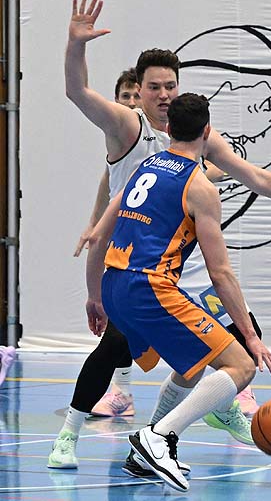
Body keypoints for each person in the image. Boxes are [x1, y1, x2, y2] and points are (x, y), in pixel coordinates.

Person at [48, 0, 271, 472]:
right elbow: (79, 98)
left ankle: (179, 426)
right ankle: (77, 436)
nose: (163, 94)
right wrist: (76, 45)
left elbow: (255, 176)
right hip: (137, 262)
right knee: (121, 349)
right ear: (139, 90)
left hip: (177, 263)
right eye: (154, 87)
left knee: (237, 332)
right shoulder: (127, 125)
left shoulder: (194, 137)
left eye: (170, 86)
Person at [85, 92, 271, 492]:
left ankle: (144, 456)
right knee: (241, 365)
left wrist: (94, 294)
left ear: (169, 128)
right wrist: (251, 335)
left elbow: (100, 234)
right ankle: (159, 437)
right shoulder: (200, 187)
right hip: (149, 287)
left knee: (191, 365)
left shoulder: (145, 165)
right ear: (207, 132)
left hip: (116, 283)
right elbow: (220, 273)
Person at [72, 68, 141, 418]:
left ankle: (238, 386)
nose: (131, 102)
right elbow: (108, 180)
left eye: (136, 95)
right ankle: (121, 393)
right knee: (118, 332)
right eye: (125, 96)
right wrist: (93, 223)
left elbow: (210, 165)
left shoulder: (167, 133)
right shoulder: (118, 135)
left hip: (168, 246)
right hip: (127, 245)